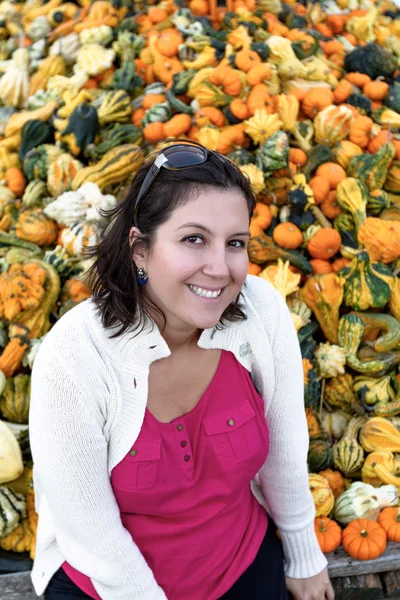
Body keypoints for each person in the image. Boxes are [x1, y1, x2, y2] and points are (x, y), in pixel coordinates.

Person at [29, 142, 335, 600]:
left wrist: (304, 553)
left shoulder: (261, 311)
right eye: (194, 239)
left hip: (239, 564)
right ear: (139, 249)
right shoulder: (74, 356)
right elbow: (90, 529)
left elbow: (286, 446)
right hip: (108, 586)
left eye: (235, 243)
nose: (219, 268)